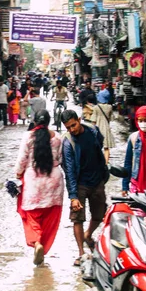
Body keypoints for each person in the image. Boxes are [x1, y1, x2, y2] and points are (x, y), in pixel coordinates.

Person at [14, 110, 64, 266]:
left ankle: (37, 243)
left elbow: (22, 160)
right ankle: (43, 245)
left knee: (31, 216)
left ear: (34, 121)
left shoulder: (28, 137)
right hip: (54, 181)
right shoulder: (57, 138)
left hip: (33, 182)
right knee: (50, 216)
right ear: (49, 122)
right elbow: (60, 159)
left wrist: (17, 175)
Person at [60, 109, 108, 266]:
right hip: (79, 184)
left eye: (73, 125)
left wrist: (103, 175)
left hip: (97, 181)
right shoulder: (68, 142)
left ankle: (88, 235)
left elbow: (100, 149)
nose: (72, 130)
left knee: (99, 215)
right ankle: (81, 253)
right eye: (68, 128)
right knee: (77, 218)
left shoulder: (93, 131)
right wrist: (73, 196)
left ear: (79, 119)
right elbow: (69, 171)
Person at [90, 89, 115, 164]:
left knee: (96, 148)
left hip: (98, 129)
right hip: (106, 129)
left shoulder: (96, 108)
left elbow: (93, 121)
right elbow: (111, 118)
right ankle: (106, 163)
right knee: (106, 148)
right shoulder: (109, 107)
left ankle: (97, 163)